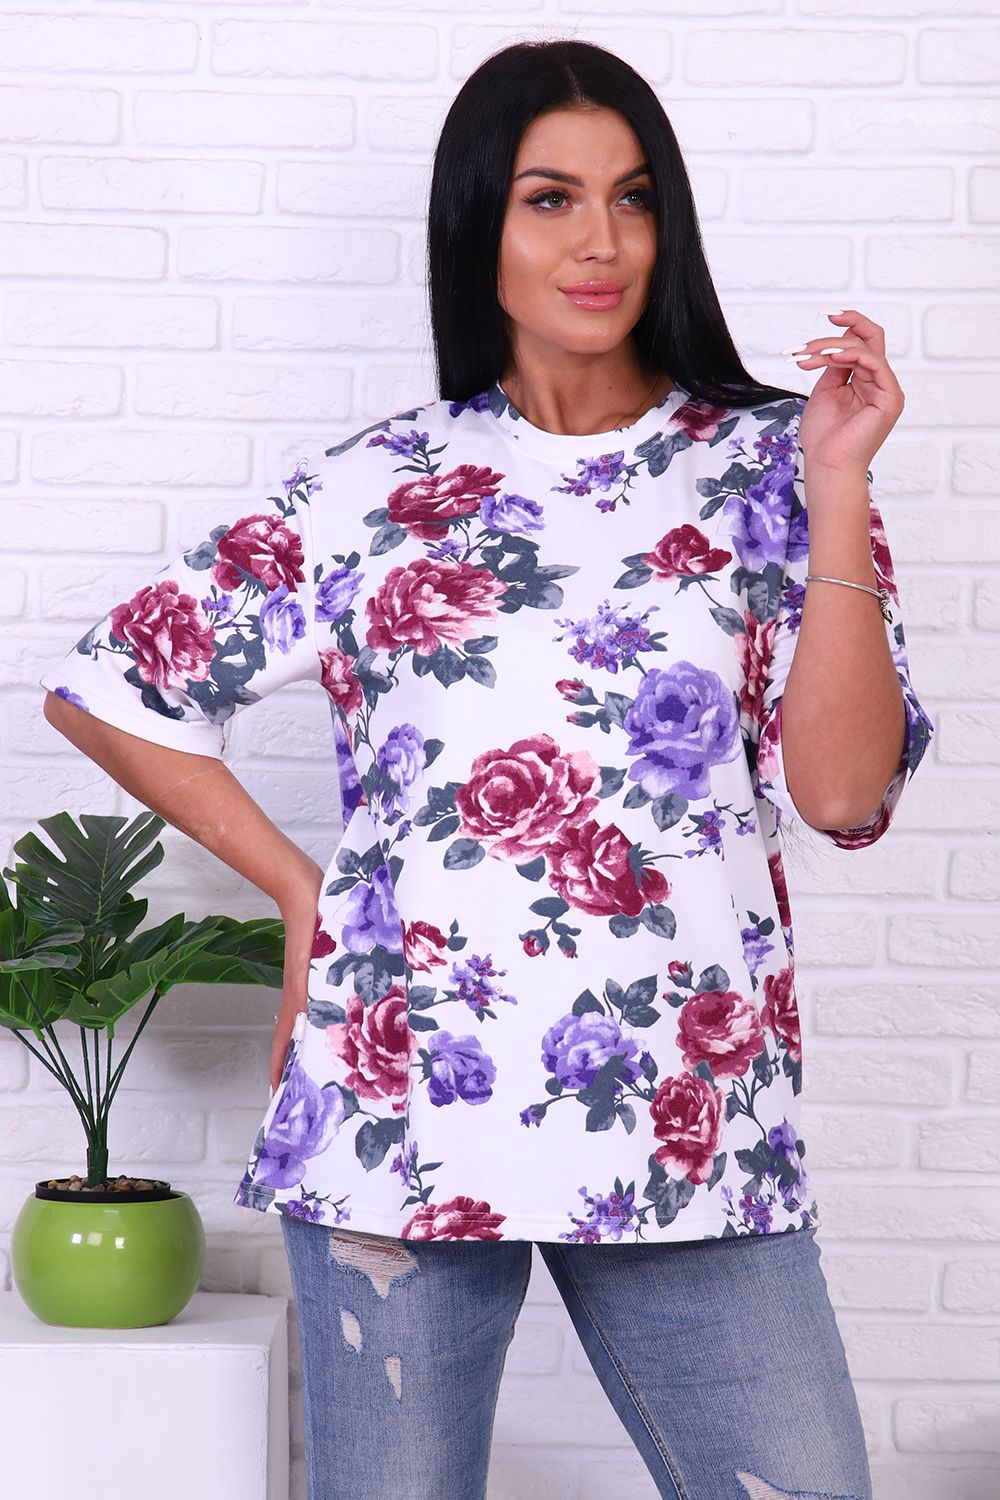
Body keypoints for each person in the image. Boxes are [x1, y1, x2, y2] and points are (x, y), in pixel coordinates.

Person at [39, 37, 932, 1500]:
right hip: (398, 1103)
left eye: (633, 198)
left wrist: (839, 484)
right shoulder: (376, 488)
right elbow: (115, 684)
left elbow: (838, 796)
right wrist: (303, 895)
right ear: (479, 227)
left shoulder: (779, 462)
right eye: (551, 198)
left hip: (689, 1111)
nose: (602, 241)